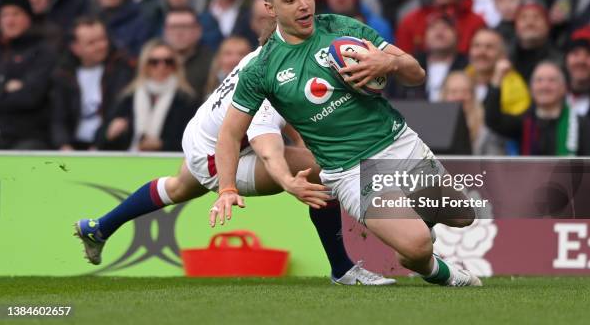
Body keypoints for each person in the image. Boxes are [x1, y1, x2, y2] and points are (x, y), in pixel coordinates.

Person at [215, 0, 482, 287]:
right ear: (270, 8)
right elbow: (230, 133)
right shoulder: (262, 68)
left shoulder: (342, 27)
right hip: (351, 171)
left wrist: (390, 62)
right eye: (290, 0)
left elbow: (417, 74)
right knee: (418, 246)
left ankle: (408, 235)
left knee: (463, 216)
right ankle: (436, 269)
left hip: (399, 142)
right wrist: (227, 188)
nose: (303, 5)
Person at [74, 42, 396, 286]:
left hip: (203, 133)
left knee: (175, 188)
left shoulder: (265, 56)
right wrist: (288, 180)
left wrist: (303, 144)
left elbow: (291, 120)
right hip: (220, 155)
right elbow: (267, 144)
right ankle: (343, 269)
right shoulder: (269, 85)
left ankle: (99, 227)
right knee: (326, 170)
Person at [485, 60, 590, 155]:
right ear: (531, 89)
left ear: (564, 88)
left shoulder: (582, 124)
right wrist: (498, 78)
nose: (544, 86)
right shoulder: (524, 122)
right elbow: (493, 120)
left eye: (552, 80)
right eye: (539, 80)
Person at [96, 39, 198, 151]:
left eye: (168, 61)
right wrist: (110, 133)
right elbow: (99, 138)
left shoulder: (187, 100)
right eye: (154, 62)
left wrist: (162, 145)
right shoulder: (128, 98)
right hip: (129, 163)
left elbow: (195, 141)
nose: (161, 66)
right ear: (145, 65)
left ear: (175, 65)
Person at [51, 17, 133, 150]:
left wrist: (98, 145)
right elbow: (58, 118)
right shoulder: (63, 75)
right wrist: (63, 145)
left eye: (103, 39)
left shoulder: (121, 70)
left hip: (108, 146)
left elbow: (119, 112)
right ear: (76, 48)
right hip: (73, 146)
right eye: (92, 43)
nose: (101, 46)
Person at [0, 0, 56, 149]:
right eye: (4, 15)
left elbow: (31, 96)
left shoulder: (43, 51)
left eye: (16, 14)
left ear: (28, 17)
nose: (9, 21)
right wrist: (7, 87)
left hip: (29, 137)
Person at [441, 71, 508, 155]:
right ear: (444, 95)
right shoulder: (434, 126)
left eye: (465, 92)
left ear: (473, 95)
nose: (459, 96)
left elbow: (495, 163)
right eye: (453, 92)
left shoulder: (487, 126)